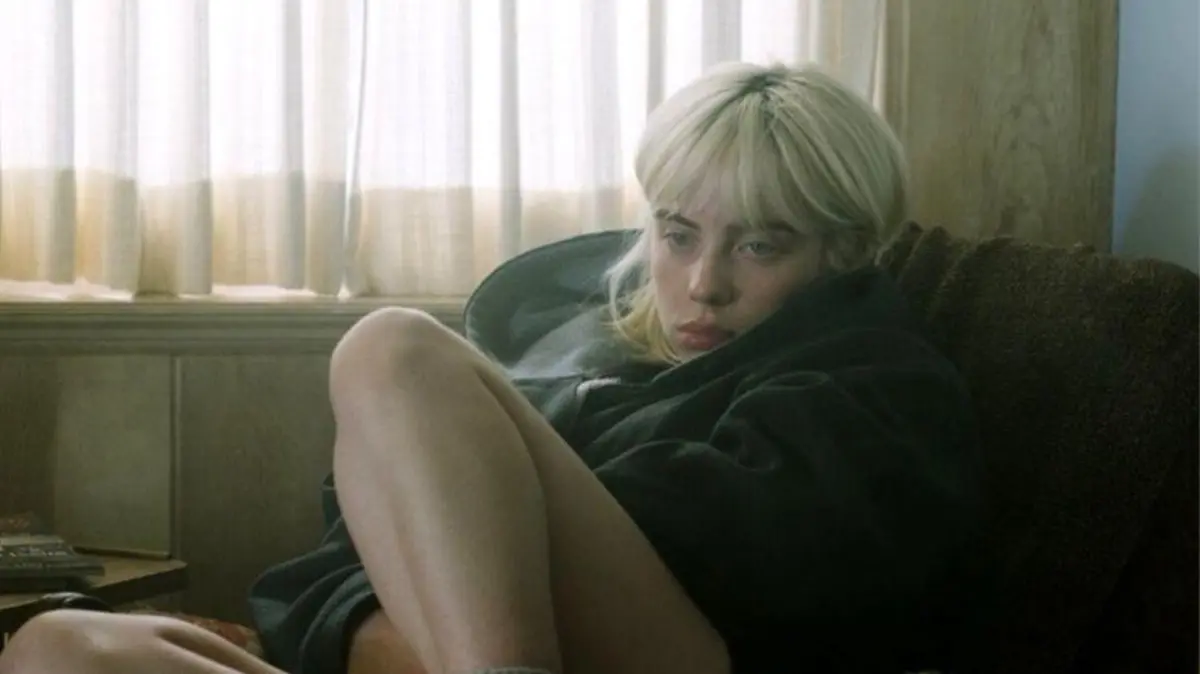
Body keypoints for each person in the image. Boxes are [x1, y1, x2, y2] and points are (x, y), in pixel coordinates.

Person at [0, 62, 983, 674]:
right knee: (58, 648)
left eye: (761, 246)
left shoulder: (874, 382)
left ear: (844, 250)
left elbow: (755, 580)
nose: (704, 284)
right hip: (484, 650)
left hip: (686, 654)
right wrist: (401, 595)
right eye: (679, 234)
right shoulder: (571, 344)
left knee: (392, 346)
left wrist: (440, 540)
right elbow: (335, 559)